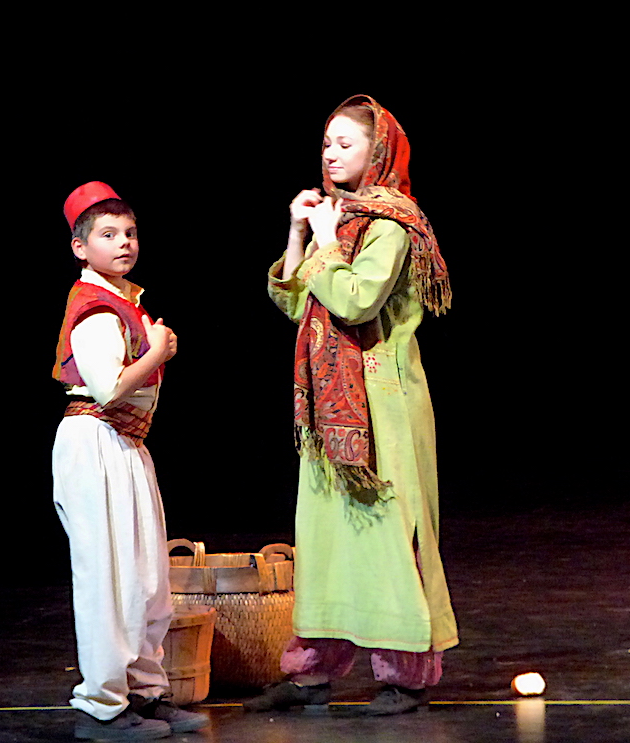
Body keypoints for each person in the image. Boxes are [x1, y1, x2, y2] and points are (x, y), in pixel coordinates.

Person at [245, 96, 459, 716]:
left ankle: (406, 676)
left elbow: (356, 301)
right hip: (330, 405)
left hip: (382, 402)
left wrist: (324, 242)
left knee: (389, 535)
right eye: (326, 143)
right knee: (327, 540)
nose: (331, 153)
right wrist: (298, 233)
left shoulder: (392, 224)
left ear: (379, 150)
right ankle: (310, 674)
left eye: (345, 143)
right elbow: (297, 301)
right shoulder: (338, 221)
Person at [52, 181, 207, 739]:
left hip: (125, 443)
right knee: (108, 579)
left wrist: (156, 347)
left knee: (147, 579)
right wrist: (158, 351)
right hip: (94, 440)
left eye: (130, 232)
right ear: (80, 247)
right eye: (108, 234)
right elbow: (110, 387)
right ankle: (102, 707)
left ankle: (145, 692)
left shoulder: (125, 302)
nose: (124, 243)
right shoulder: (93, 308)